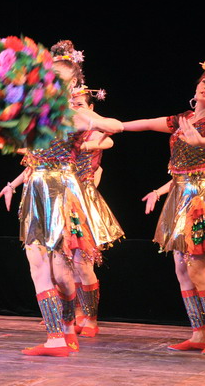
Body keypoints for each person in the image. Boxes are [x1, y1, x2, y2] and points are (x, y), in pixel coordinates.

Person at [0, 40, 123, 357]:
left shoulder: (73, 114)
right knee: (51, 268)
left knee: (50, 267)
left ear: (74, 85)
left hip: (61, 188)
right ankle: (64, 334)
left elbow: (114, 127)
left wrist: (89, 118)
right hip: (39, 186)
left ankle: (61, 335)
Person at [126, 50, 205, 355]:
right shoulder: (183, 119)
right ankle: (198, 333)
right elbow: (147, 123)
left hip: (198, 199)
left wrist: (201, 141)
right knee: (181, 268)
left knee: (199, 268)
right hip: (179, 194)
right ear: (196, 86)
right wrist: (115, 126)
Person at [69, 85, 123, 337]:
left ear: (90, 108)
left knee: (83, 263)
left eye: (80, 104)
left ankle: (91, 319)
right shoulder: (63, 131)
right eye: (71, 103)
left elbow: (109, 138)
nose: (74, 108)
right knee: (68, 263)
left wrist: (87, 145)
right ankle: (77, 314)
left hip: (85, 200)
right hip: (64, 198)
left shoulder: (94, 130)